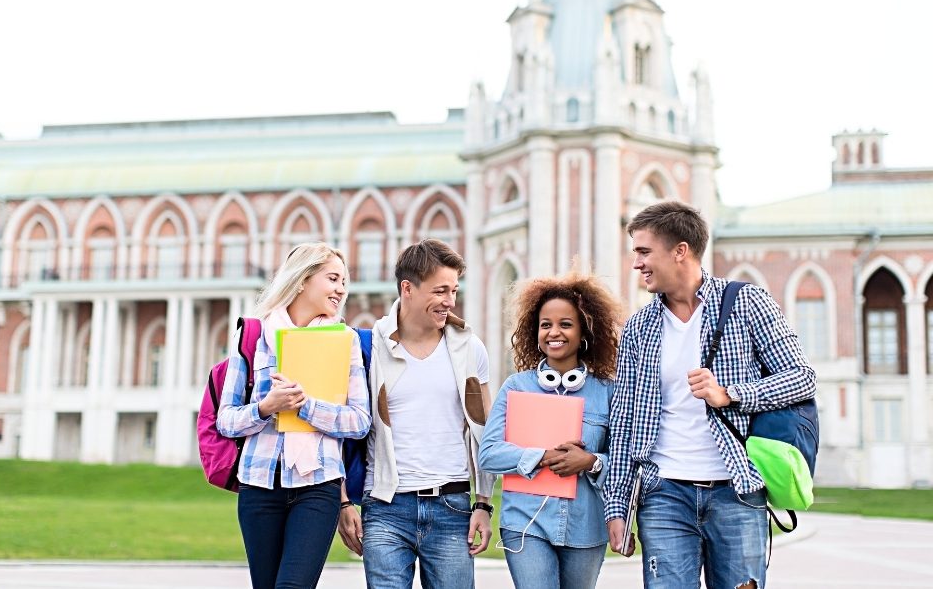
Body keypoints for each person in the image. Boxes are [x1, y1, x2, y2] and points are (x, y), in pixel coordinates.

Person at [604, 201, 817, 589]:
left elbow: (802, 378)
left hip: (736, 491)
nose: (636, 263)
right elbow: (623, 423)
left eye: (644, 251)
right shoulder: (638, 328)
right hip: (663, 493)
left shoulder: (747, 303)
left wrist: (730, 395)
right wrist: (617, 507)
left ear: (680, 251)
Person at [336, 238, 494, 589]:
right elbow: (341, 429)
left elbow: (484, 430)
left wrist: (483, 503)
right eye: (440, 291)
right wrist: (343, 501)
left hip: (452, 507)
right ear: (407, 288)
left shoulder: (470, 347)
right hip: (386, 510)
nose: (450, 301)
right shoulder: (369, 345)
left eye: (453, 290)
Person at [216, 242, 371, 589]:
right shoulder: (253, 336)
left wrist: (306, 407)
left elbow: (360, 422)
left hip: (318, 487)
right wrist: (265, 408)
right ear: (303, 280)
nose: (341, 289)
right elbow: (225, 419)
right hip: (259, 484)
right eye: (333, 278)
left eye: (344, 281)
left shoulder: (344, 341)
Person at [478, 272, 623, 589]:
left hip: (585, 527)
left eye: (565, 324)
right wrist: (542, 456)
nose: (554, 332)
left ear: (584, 331)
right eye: (546, 325)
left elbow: (624, 462)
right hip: (525, 523)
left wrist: (591, 462)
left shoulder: (607, 393)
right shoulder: (516, 387)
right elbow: (488, 454)